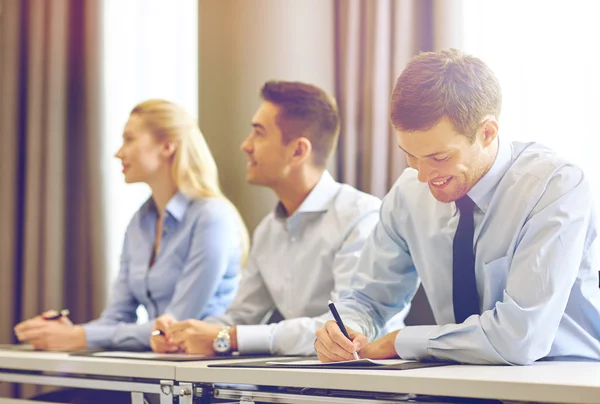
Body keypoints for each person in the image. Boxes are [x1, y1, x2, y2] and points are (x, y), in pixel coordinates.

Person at [315, 48, 600, 365]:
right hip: (456, 379)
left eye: (439, 158)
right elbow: (369, 298)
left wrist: (403, 340)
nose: (422, 175)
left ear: (487, 132)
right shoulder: (409, 195)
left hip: (563, 379)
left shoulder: (555, 187)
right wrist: (347, 329)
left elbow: (520, 337)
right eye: (410, 155)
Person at [152, 81, 407, 356]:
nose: (245, 145)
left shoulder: (360, 216)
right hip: (292, 384)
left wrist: (230, 337)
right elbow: (239, 317)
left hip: (365, 386)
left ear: (298, 151)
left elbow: (343, 331)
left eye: (258, 134)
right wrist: (182, 334)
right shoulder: (268, 230)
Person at [14, 99, 249, 354]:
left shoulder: (211, 218)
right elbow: (116, 316)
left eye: (129, 139)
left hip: (205, 381)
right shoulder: (139, 223)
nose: (118, 152)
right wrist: (68, 332)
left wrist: (82, 336)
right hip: (153, 375)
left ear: (167, 146)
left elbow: (175, 327)